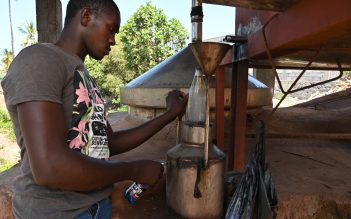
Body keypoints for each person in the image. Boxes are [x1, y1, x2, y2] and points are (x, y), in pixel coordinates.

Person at [1, 0, 188, 218]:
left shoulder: (82, 75)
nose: (113, 41)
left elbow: (106, 143)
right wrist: (133, 169)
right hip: (57, 212)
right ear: (86, 16)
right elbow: (49, 166)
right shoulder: (40, 60)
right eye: (111, 29)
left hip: (97, 207)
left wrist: (169, 115)